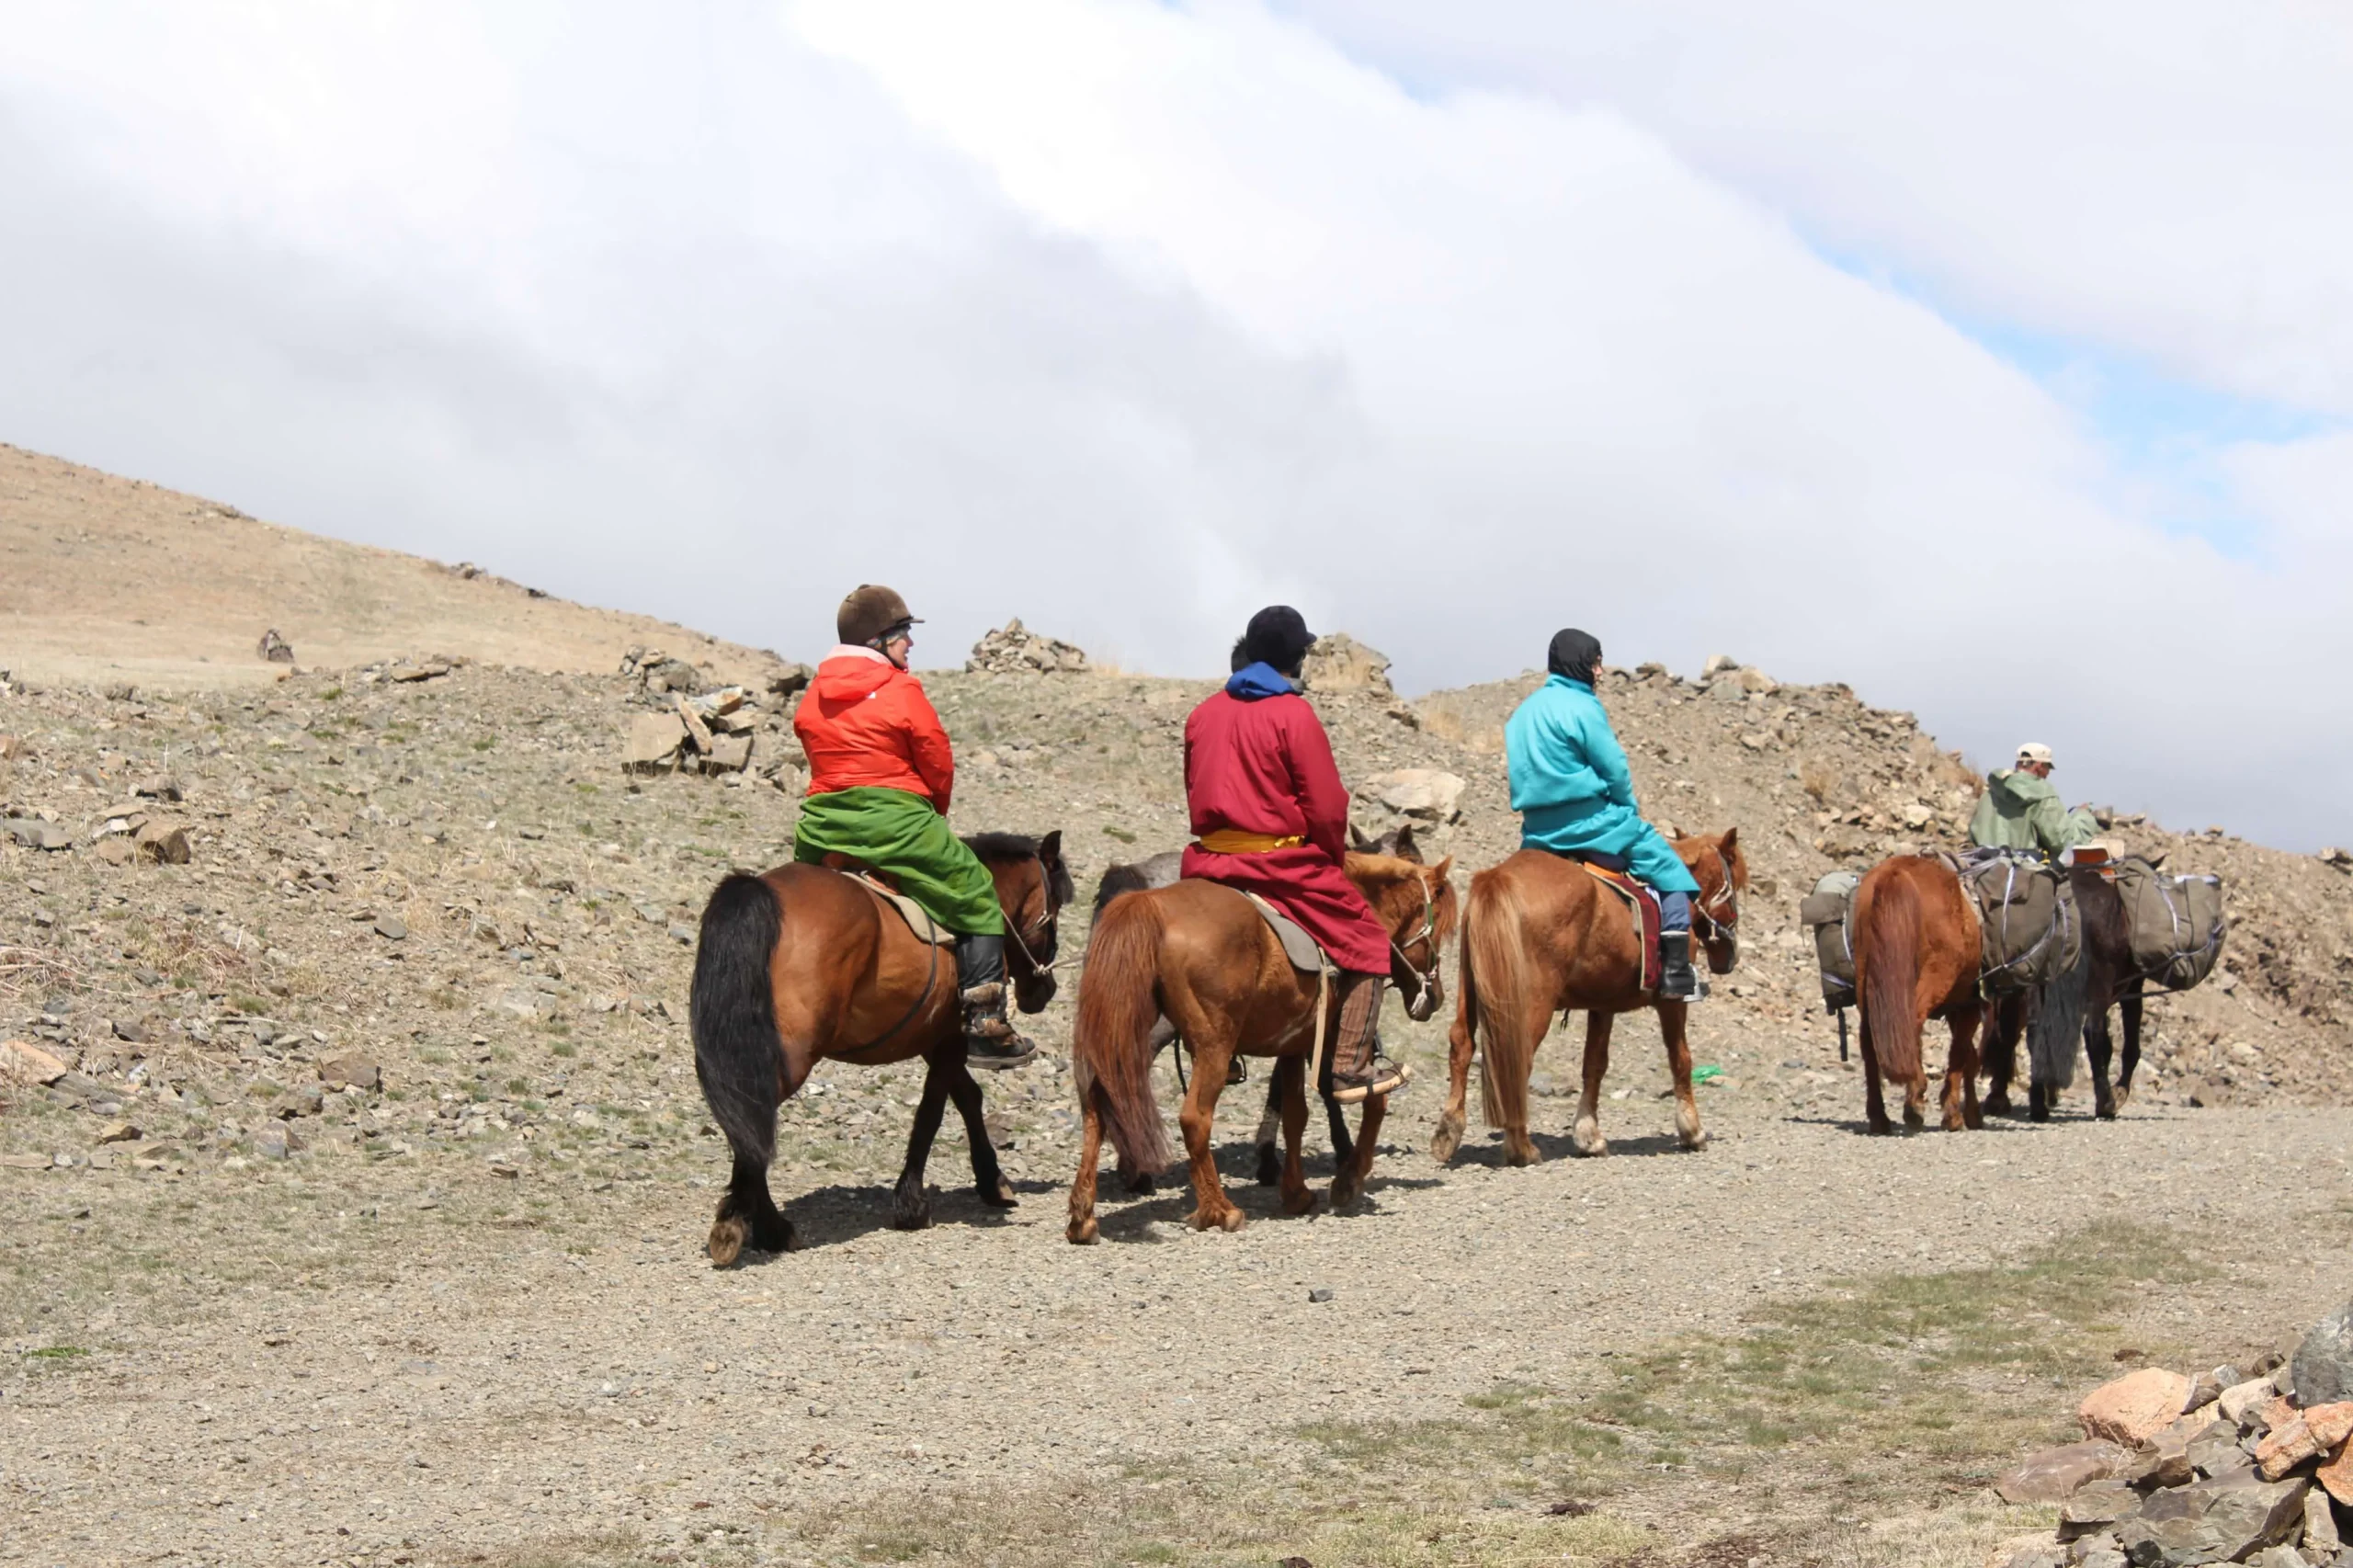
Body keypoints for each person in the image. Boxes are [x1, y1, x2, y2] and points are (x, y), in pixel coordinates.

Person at [791, 585, 1033, 1070]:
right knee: (976, 890)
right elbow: (936, 757)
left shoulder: (816, 691)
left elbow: (809, 739)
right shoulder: (900, 688)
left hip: (821, 826)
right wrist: (932, 813)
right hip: (896, 820)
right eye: (902, 632)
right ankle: (985, 1024)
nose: (910, 643)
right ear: (878, 639)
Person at [1179, 605, 1406, 1104]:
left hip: (1208, 860)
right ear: (1295, 657)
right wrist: (1325, 858)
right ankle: (1348, 1067)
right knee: (1368, 940)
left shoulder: (1202, 713)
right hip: (1275, 863)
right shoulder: (1292, 712)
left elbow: (1194, 788)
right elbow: (1327, 807)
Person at [1505, 629, 1704, 1002]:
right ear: (1581, 663)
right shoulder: (1584, 707)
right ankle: (1677, 973)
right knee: (1672, 872)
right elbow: (1614, 768)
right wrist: (1628, 809)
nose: (1600, 671)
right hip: (1593, 824)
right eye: (1596, 662)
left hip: (1537, 831)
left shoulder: (1522, 712)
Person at [1968, 743, 2101, 858]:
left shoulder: (1989, 793)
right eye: (2047, 767)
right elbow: (2064, 842)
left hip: (1982, 868)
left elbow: (1974, 832)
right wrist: (2083, 815)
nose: (2048, 773)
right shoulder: (2043, 793)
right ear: (2039, 766)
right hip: (2021, 872)